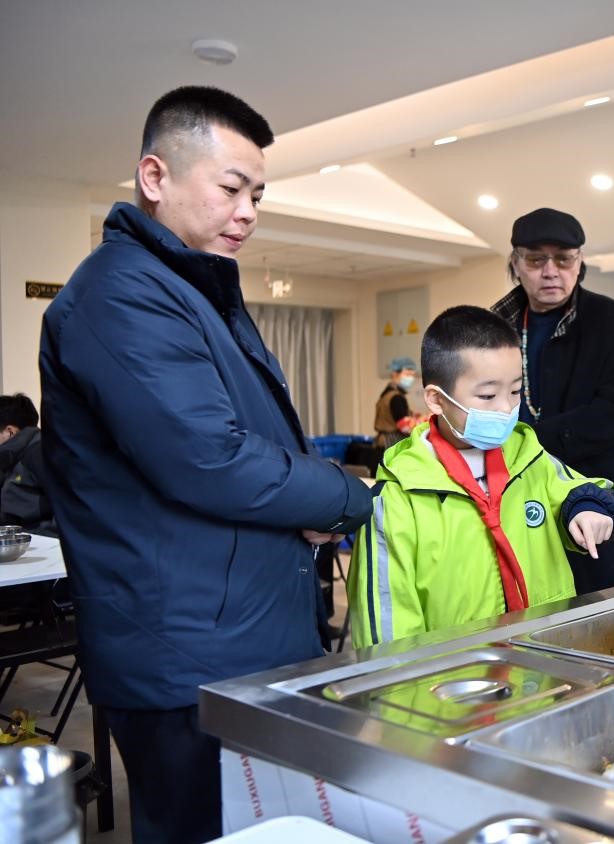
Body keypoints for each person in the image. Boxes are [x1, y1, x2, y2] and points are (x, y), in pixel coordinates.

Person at [39, 86, 373, 844]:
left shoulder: (191, 287)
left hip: (233, 638)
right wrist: (347, 498)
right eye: (231, 188)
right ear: (155, 177)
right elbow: (209, 459)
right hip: (184, 655)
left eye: (257, 193)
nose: (249, 210)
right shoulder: (121, 294)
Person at [348, 306, 614, 646]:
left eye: (516, 391)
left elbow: (582, 488)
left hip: (545, 660)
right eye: (488, 395)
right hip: (452, 680)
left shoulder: (529, 456)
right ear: (436, 399)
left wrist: (586, 507)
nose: (507, 408)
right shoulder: (398, 498)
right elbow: (387, 624)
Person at [491, 208, 614, 594]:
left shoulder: (612, 321)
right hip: (517, 497)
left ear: (580, 263)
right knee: (527, 608)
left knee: (605, 619)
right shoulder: (495, 325)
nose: (550, 271)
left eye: (563, 259)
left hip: (598, 498)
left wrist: (531, 439)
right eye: (535, 259)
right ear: (515, 263)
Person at [0, 393, 54, 533]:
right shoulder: (10, 459)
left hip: (40, 547)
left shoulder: (40, 452)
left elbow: (70, 508)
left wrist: (35, 538)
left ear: (10, 432)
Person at [373, 356, 421, 448]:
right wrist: (425, 422)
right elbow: (405, 426)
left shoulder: (386, 394)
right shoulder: (396, 398)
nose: (411, 378)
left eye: (412, 375)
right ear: (395, 374)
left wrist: (413, 416)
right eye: (407, 374)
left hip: (383, 441)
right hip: (392, 442)